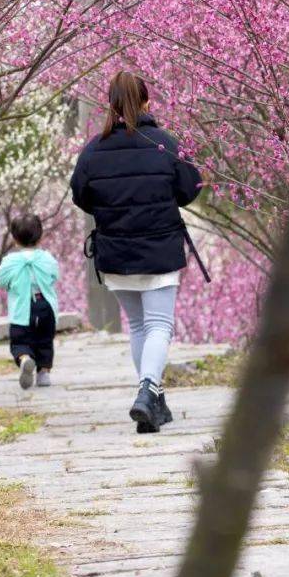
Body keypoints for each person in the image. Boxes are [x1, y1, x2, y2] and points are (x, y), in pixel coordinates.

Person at [70, 70, 205, 434]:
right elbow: (191, 187)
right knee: (159, 325)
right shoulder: (164, 143)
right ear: (146, 102)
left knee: (139, 327)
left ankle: (152, 400)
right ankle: (148, 391)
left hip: (115, 252)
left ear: (110, 105)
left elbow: (81, 194)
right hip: (159, 248)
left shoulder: (93, 151)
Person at [0, 212, 59, 390]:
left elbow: (0, 279)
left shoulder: (10, 261)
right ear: (40, 236)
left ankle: (25, 358)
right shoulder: (47, 258)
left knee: (20, 341)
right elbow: (55, 276)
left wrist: (12, 285)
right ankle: (44, 373)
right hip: (45, 307)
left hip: (21, 309)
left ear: (15, 239)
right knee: (45, 341)